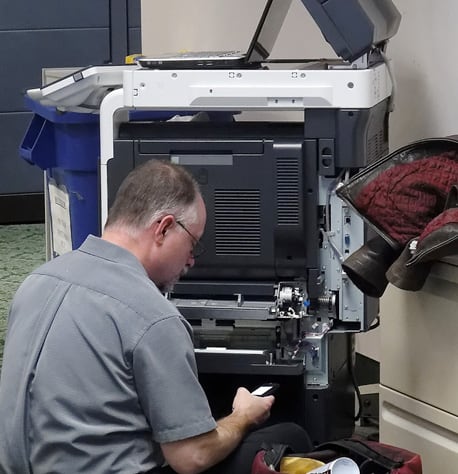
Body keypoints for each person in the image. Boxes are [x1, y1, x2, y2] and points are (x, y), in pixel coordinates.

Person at [0, 160, 311, 474]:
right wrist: (243, 416)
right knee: (288, 436)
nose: (191, 260)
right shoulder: (152, 316)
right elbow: (192, 458)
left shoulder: (36, 282)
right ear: (163, 228)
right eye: (193, 243)